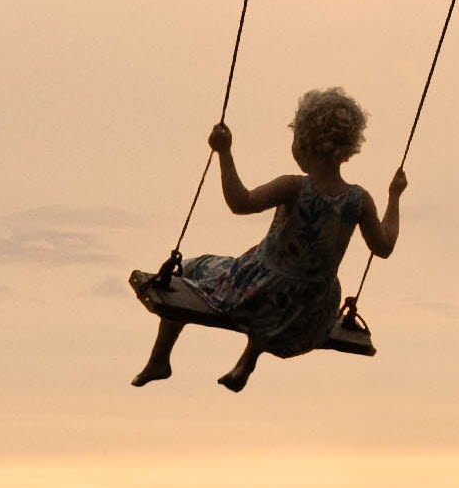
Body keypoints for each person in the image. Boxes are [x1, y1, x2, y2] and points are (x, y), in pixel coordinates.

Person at [129, 87, 407, 392]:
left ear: (304, 143)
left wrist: (224, 152)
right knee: (285, 297)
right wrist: (394, 196)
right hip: (312, 308)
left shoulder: (294, 187)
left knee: (193, 270)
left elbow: (240, 202)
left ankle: (160, 359)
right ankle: (248, 360)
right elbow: (384, 247)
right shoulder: (359, 200)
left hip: (258, 290)